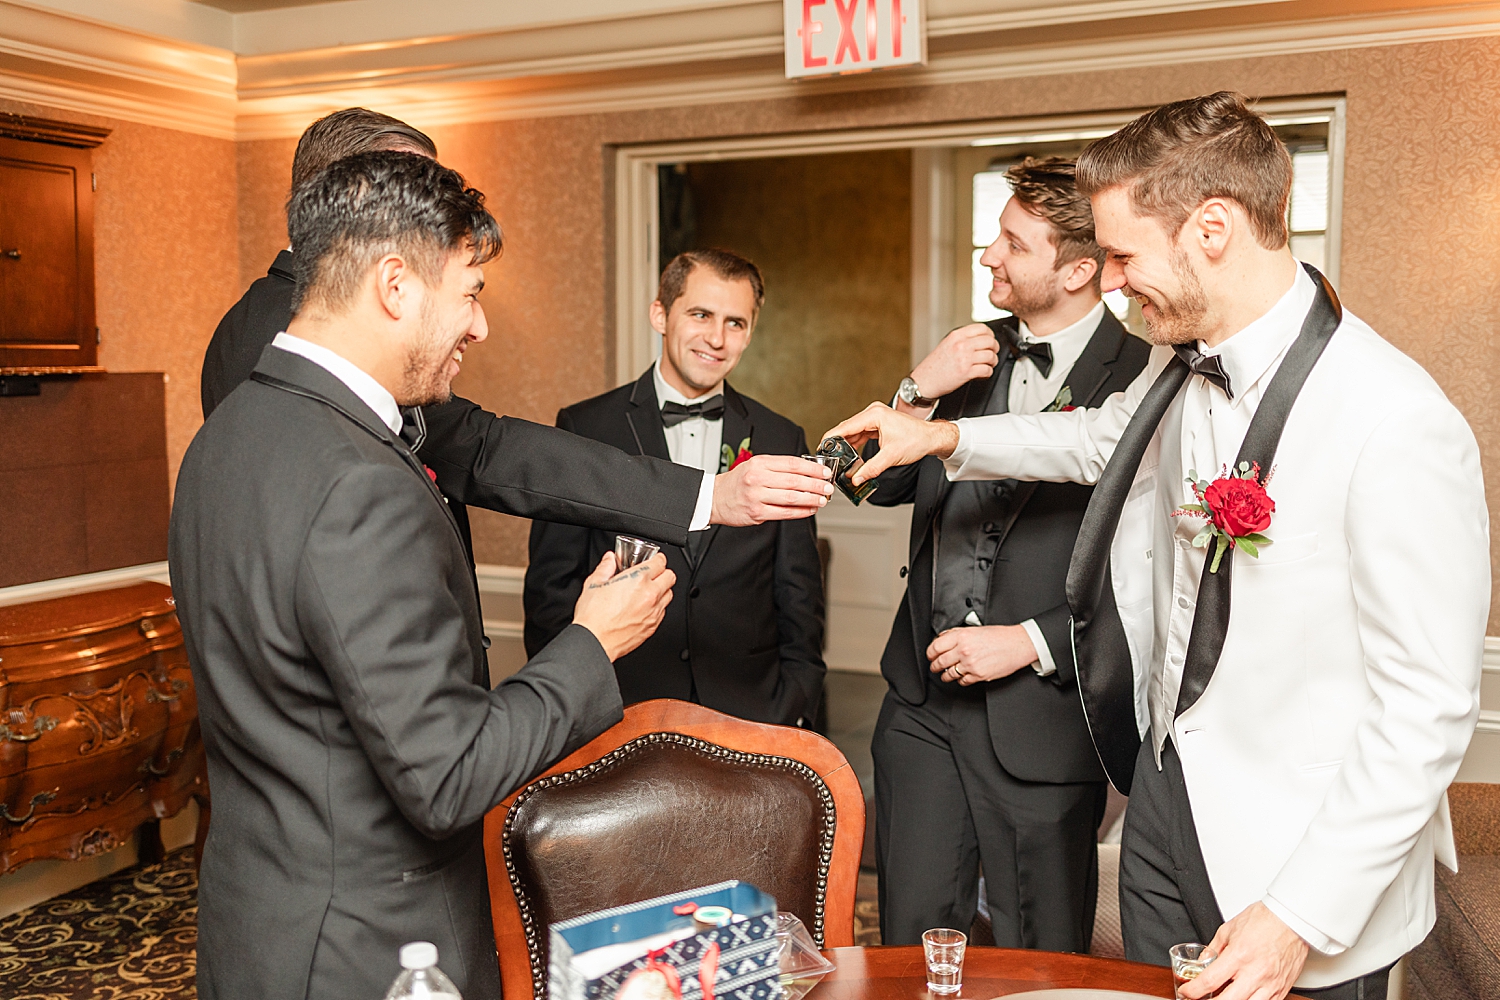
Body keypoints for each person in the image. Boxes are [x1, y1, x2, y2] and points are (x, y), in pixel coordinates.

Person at [825, 92, 1486, 1000]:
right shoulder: (1184, 370)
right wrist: (939, 437)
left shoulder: (1393, 419)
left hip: (1300, 858)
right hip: (1159, 808)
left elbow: (1428, 707)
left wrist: (1301, 914)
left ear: (1211, 228)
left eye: (1127, 256)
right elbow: (1095, 439)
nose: (1115, 281)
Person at [172, 152, 679, 1000]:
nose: (479, 327)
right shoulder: (362, 483)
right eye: (472, 290)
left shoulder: (226, 435)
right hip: (367, 952)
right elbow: (446, 779)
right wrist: (593, 641)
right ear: (395, 285)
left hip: (255, 926)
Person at [200, 107, 834, 582]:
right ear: (358, 194)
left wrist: (708, 496)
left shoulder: (316, 325)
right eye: (420, 185)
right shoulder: (276, 340)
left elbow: (480, 446)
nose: (477, 326)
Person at [867, 157, 1148, 949]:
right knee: (911, 940)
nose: (989, 254)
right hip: (919, 710)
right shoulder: (966, 353)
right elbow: (871, 485)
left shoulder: (1144, 376)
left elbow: (1151, 567)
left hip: (1046, 718)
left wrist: (1030, 642)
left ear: (1079, 269)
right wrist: (916, 389)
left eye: (1013, 243)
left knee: (1043, 950)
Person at [525, 250, 825, 725]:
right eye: (701, 315)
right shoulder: (585, 426)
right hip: (620, 702)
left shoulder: (781, 439)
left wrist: (794, 700)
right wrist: (565, 701)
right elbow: (550, 591)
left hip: (747, 708)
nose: (716, 338)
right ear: (660, 315)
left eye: (736, 323)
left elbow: (800, 593)